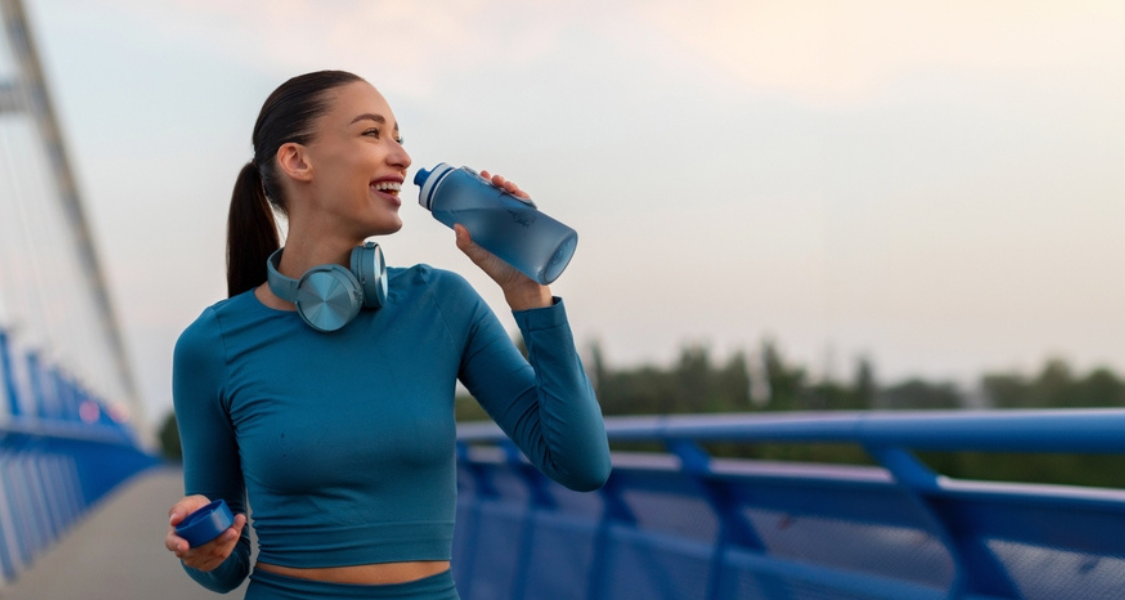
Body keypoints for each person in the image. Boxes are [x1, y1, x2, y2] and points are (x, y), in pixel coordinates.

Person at [163, 70, 611, 600]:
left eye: (399, 137)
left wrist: (528, 292)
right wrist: (207, 553)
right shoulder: (211, 344)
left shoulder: (443, 304)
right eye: (372, 134)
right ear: (297, 160)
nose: (400, 156)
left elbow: (582, 465)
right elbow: (226, 563)